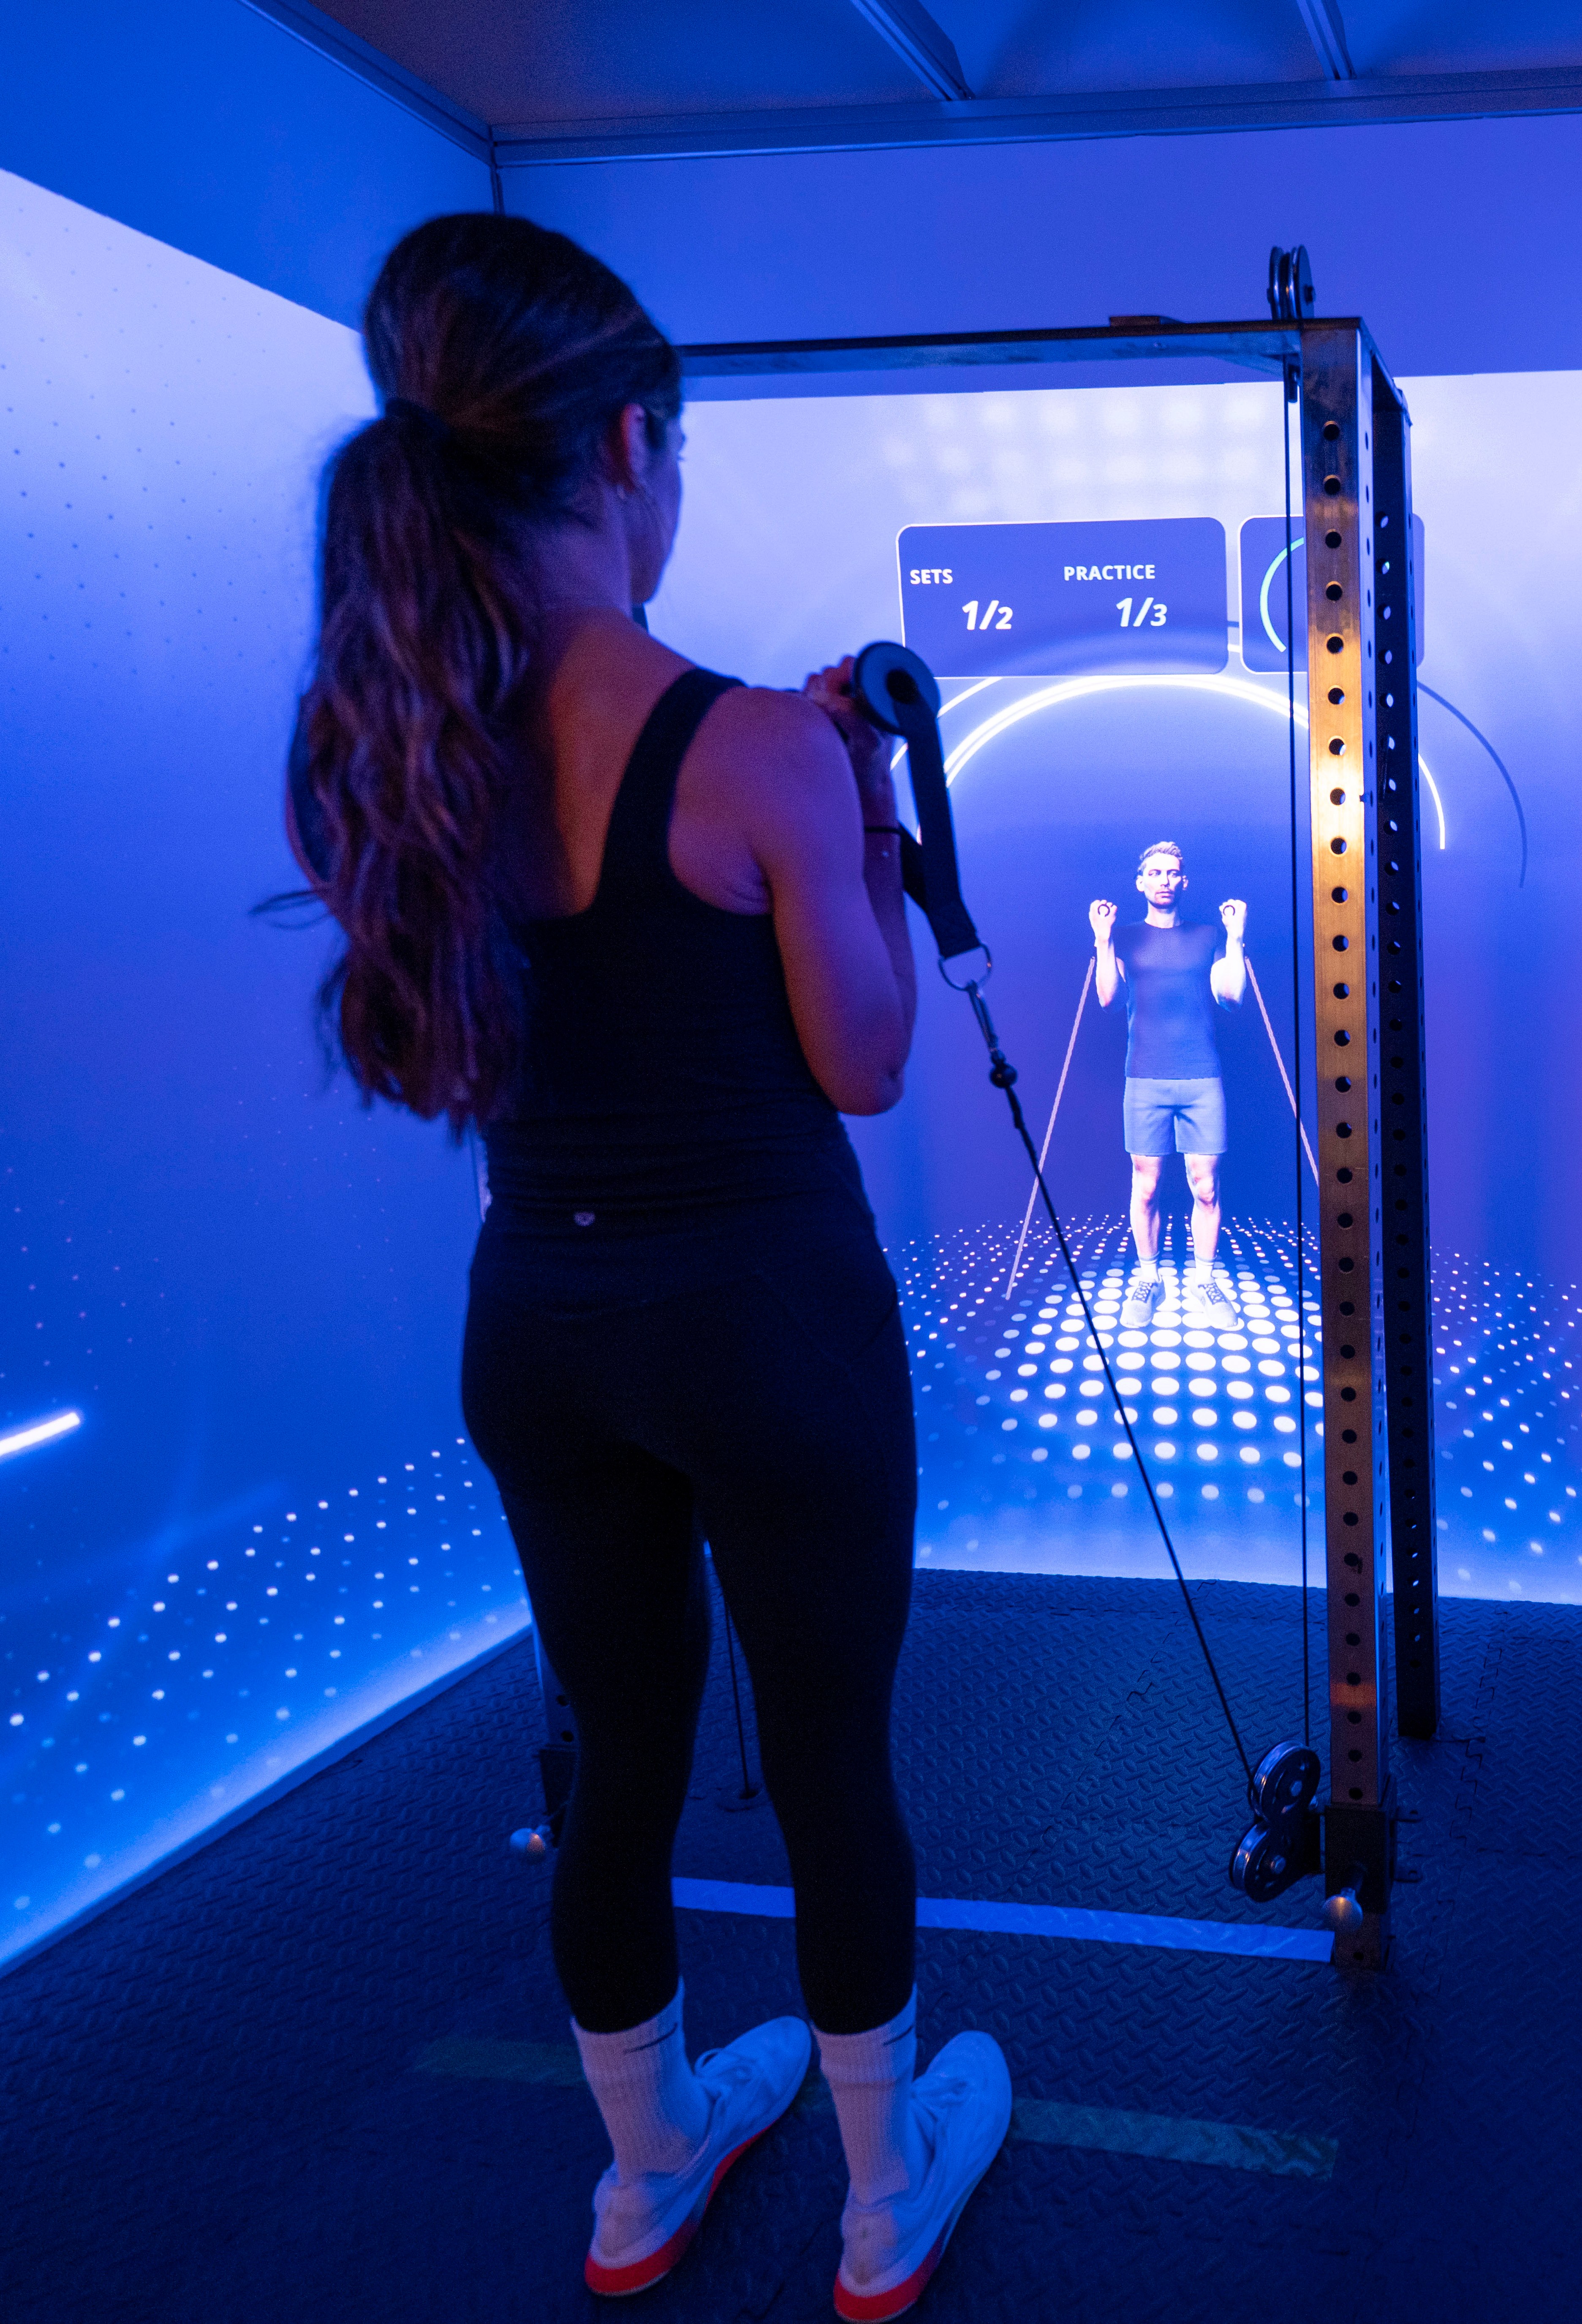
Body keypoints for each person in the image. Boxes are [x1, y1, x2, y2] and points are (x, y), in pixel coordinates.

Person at [285, 212, 1008, 2318]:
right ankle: (880, 2201)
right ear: (627, 451)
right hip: (763, 1324)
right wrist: (853, 805)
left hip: (540, 1321)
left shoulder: (405, 742)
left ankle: (645, 2166)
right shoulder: (763, 746)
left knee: (612, 1747)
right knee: (823, 1751)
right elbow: (863, 1056)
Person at [1089, 843, 1246, 1330]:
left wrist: (1235, 937)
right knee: (1147, 1185)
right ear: (1140, 882)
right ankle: (1148, 1277)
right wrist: (1102, 940)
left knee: (1205, 1188)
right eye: (1153, 872)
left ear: (1184, 882)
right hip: (1145, 1078)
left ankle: (1204, 1279)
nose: (1162, 879)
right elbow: (1107, 1000)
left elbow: (1233, 998)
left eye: (1172, 872)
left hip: (1201, 1077)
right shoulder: (1127, 937)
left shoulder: (1206, 937)